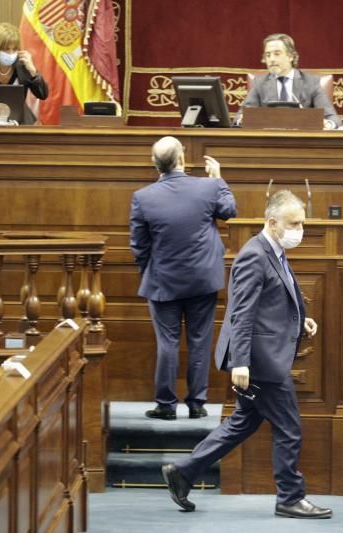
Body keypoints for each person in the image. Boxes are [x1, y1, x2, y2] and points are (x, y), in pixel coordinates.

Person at [161, 190, 332, 519]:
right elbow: (241, 313)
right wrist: (240, 362)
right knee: (289, 427)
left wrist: (302, 317)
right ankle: (290, 498)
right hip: (261, 361)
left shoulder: (275, 250)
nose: (300, 230)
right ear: (272, 222)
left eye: (301, 223)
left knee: (242, 423)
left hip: (265, 356)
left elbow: (277, 296)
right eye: (294, 223)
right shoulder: (254, 255)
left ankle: (183, 471)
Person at [130, 136, 237, 420]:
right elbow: (229, 211)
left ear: (156, 165)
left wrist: (149, 273)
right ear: (181, 159)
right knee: (200, 340)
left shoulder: (143, 197)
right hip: (203, 279)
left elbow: (139, 245)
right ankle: (197, 404)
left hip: (163, 280)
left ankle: (166, 405)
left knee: (167, 342)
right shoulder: (208, 187)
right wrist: (219, 179)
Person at [237, 33, 340, 129]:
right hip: (270, 142)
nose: (271, 59)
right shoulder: (260, 83)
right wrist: (242, 120)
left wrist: (328, 124)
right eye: (268, 55)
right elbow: (240, 117)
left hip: (303, 142)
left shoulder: (310, 82)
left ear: (291, 56)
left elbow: (332, 118)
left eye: (277, 54)